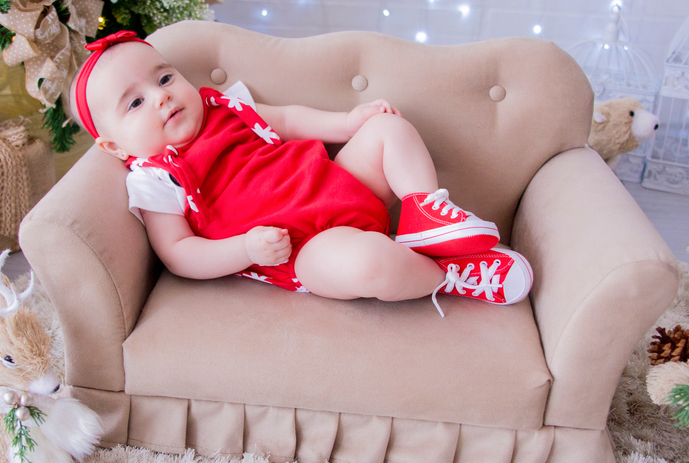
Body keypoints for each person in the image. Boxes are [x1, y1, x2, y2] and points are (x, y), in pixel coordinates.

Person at [67, 30, 532, 315]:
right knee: (368, 264)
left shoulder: (224, 106)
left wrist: (348, 123)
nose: (161, 96)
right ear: (112, 145)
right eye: (135, 102)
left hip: (339, 182)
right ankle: (450, 275)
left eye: (164, 78)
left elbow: (287, 119)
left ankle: (428, 212)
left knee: (388, 127)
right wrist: (245, 249)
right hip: (303, 248)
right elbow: (179, 253)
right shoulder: (154, 177)